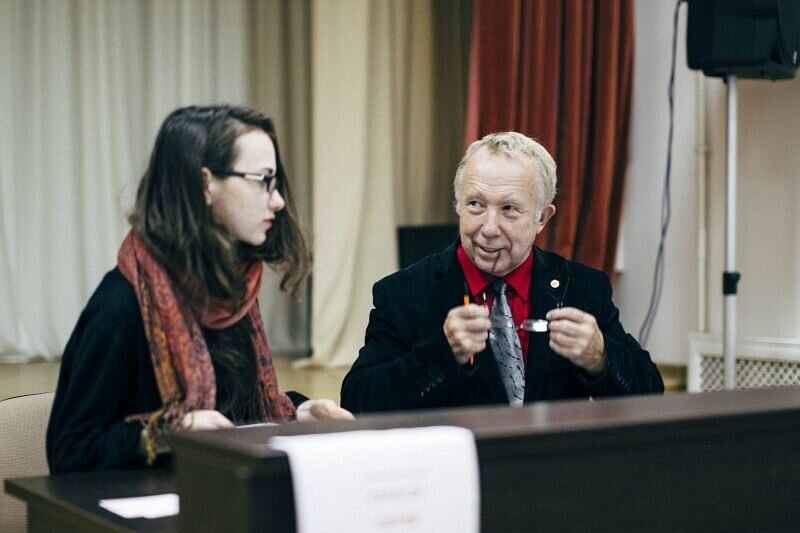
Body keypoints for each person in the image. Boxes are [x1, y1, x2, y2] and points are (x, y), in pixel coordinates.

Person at [47, 105, 352, 473]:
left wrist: (298, 411)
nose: (278, 200)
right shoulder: (121, 307)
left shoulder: (230, 293)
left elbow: (231, 417)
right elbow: (70, 451)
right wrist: (167, 434)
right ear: (206, 184)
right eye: (262, 179)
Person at [341, 132, 663, 413]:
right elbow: (358, 401)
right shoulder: (403, 294)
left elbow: (651, 393)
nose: (489, 228)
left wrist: (600, 357)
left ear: (542, 218)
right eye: (475, 205)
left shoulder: (581, 288)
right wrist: (440, 354)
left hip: (552, 475)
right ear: (458, 205)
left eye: (508, 209)